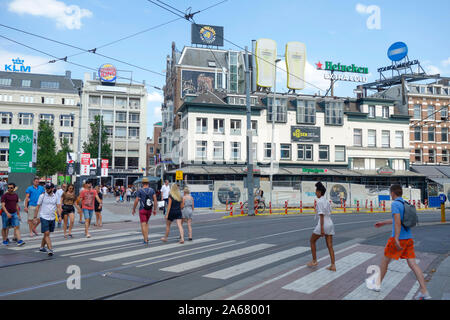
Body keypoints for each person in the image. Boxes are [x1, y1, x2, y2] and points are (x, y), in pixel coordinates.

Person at [367, 184, 431, 300]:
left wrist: (396, 238)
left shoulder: (395, 204)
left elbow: (397, 222)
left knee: (385, 261)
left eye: (390, 193)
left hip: (398, 239)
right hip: (408, 238)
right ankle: (424, 291)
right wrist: (383, 223)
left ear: (392, 193)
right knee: (413, 264)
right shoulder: (404, 203)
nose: (390, 195)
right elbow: (398, 219)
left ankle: (377, 284)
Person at [307, 181, 336, 271]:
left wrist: (322, 229)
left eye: (316, 191)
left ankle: (314, 260)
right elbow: (330, 211)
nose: (315, 193)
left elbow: (321, 215)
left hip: (323, 224)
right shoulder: (326, 201)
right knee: (330, 245)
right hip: (330, 223)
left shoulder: (319, 201)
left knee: (312, 241)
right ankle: (333, 265)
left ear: (319, 192)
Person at [34, 183, 60, 256]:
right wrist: (35, 217)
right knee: (47, 233)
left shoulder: (56, 196)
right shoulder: (42, 196)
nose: (47, 190)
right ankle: (50, 249)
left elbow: (58, 207)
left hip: (52, 217)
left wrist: (60, 216)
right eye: (46, 188)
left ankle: (42, 247)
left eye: (48, 188)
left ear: (52, 189)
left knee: (46, 234)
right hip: (44, 217)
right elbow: (37, 207)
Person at [132, 178, 157, 245]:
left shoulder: (140, 191)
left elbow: (136, 200)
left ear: (142, 183)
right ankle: (147, 237)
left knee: (143, 224)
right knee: (146, 223)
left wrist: (134, 209)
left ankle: (145, 240)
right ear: (148, 183)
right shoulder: (152, 190)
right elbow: (155, 200)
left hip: (142, 209)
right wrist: (155, 209)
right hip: (149, 209)